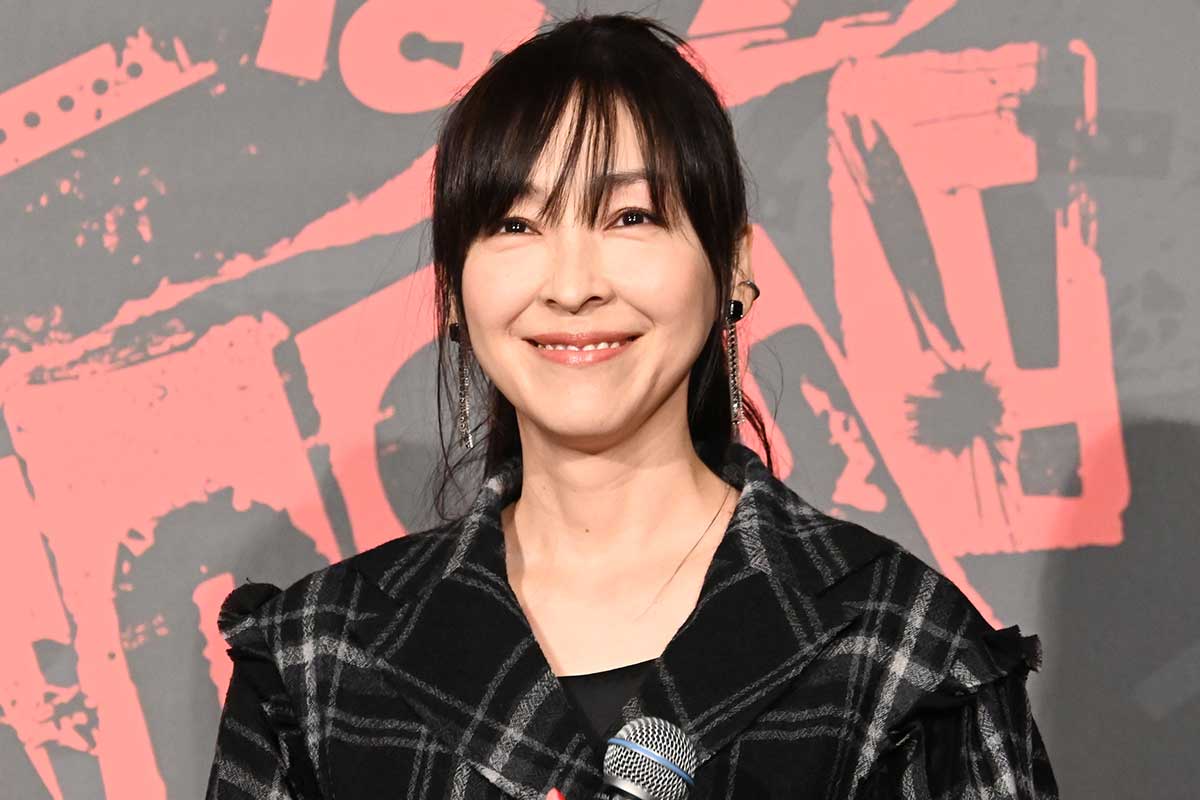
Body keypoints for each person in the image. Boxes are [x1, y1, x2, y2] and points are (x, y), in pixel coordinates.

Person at [205, 12, 1059, 800]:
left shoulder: (900, 646)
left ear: (733, 265)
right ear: (454, 289)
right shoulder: (323, 656)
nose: (573, 285)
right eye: (516, 225)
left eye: (630, 217)